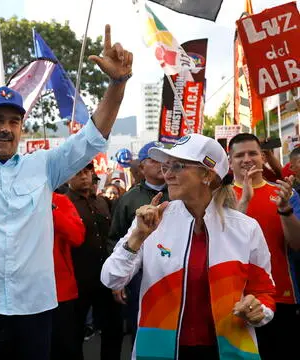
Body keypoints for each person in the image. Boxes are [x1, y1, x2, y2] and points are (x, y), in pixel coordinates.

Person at [0, 3, 132, 358]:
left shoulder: (45, 166)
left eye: (13, 121)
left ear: (21, 127)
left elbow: (93, 136)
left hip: (32, 310)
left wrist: (117, 84)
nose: (5, 128)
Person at [101, 134, 276, 360]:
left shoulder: (246, 228)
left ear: (207, 174)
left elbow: (264, 292)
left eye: (178, 165)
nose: (168, 174)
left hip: (228, 351)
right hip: (159, 351)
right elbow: (111, 279)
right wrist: (137, 238)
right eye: (166, 166)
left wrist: (258, 311)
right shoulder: (152, 221)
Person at [228, 133, 300, 360]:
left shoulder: (284, 193)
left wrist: (284, 209)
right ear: (230, 161)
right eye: (240, 155)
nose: (247, 159)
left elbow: (296, 244)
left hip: (282, 297)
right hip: (234, 300)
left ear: (263, 157)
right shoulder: (219, 198)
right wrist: (243, 203)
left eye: (253, 153)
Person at [107, 141, 169, 344]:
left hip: (173, 272)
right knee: (141, 328)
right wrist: (119, 282)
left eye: (164, 159)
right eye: (154, 160)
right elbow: (114, 238)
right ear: (142, 167)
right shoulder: (128, 199)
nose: (161, 164)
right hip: (138, 275)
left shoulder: (180, 193)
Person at [66, 163, 123, 360]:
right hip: (77, 279)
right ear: (67, 177)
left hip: (105, 278)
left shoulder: (102, 202)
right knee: (73, 335)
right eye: (78, 172)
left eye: (87, 172)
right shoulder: (64, 204)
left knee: (113, 330)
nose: (84, 177)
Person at [50, 192, 85, 360]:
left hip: (60, 293)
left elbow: (77, 237)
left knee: (64, 348)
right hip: (24, 294)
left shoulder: (59, 201)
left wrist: (52, 210)